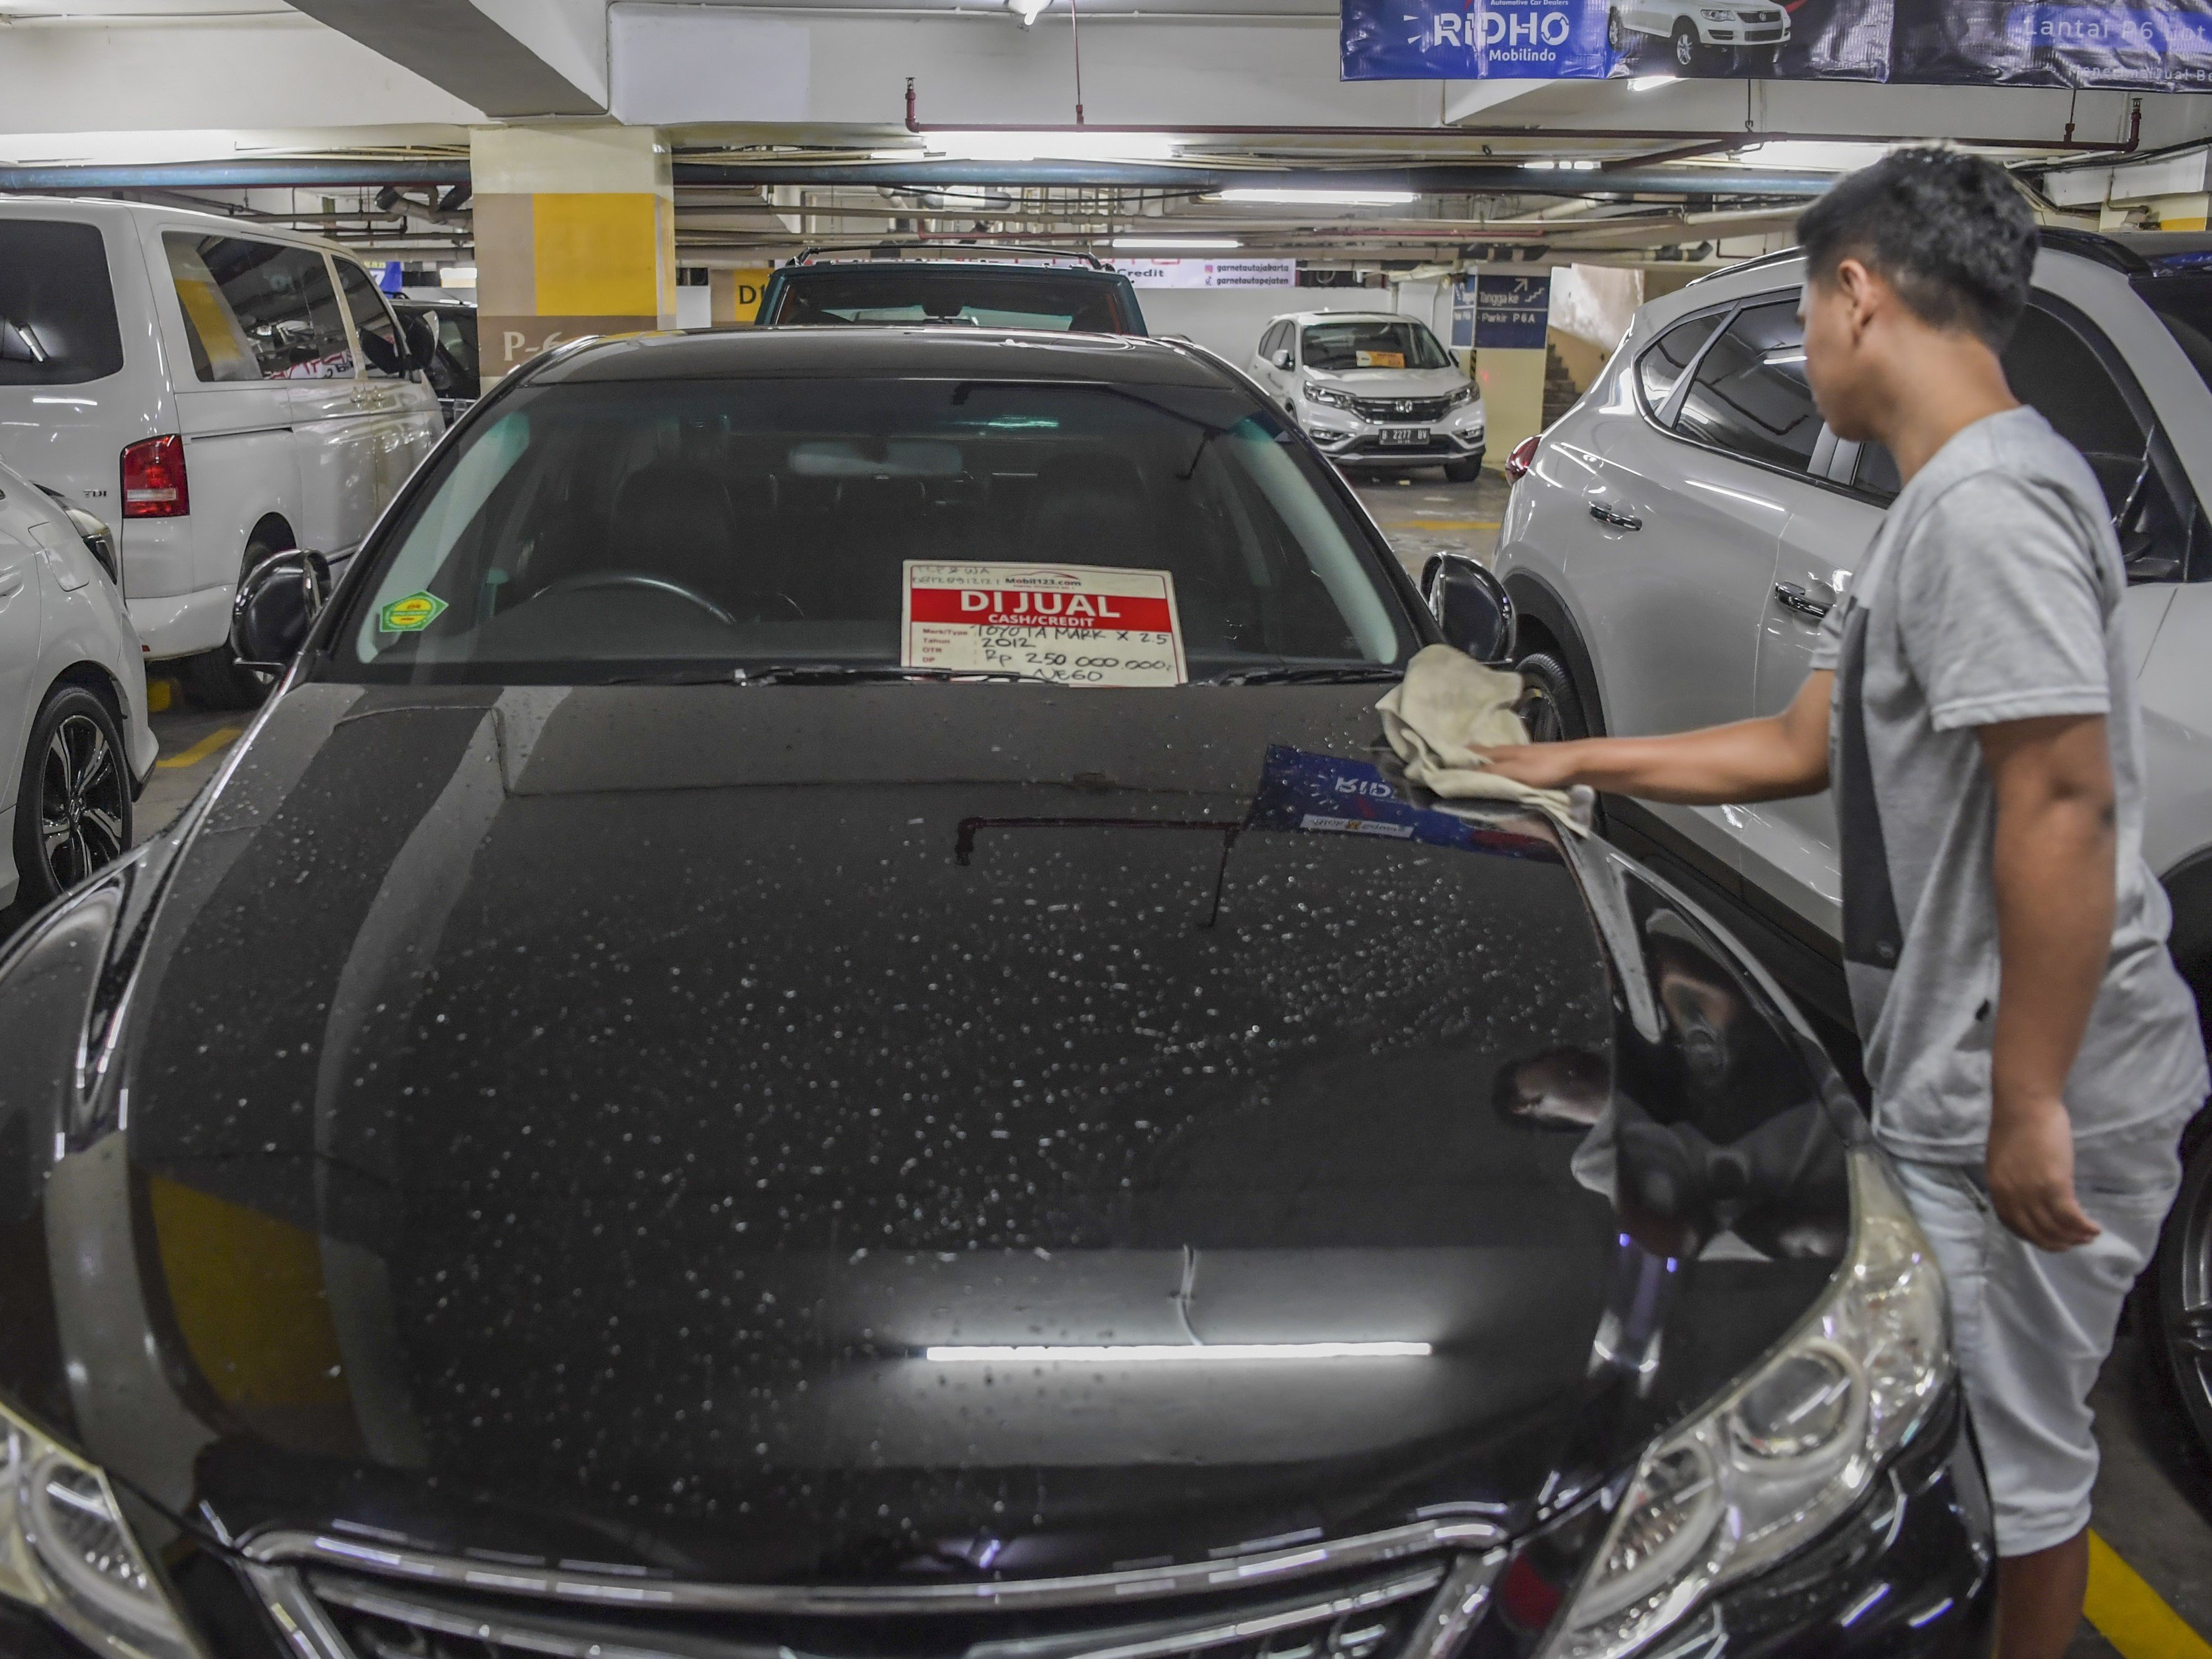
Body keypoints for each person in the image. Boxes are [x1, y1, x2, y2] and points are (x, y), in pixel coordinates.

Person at [1475, 149, 2209, 1659]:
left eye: (1809, 307)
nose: (1805, 344)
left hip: (2043, 1073)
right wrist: (1566, 758)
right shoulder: (1939, 504)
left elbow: (2059, 803)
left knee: (2016, 1460)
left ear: (1856, 294)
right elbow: (1797, 745)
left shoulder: (1990, 510)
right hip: (1961, 1057)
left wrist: (2028, 1102)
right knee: (1940, 1410)